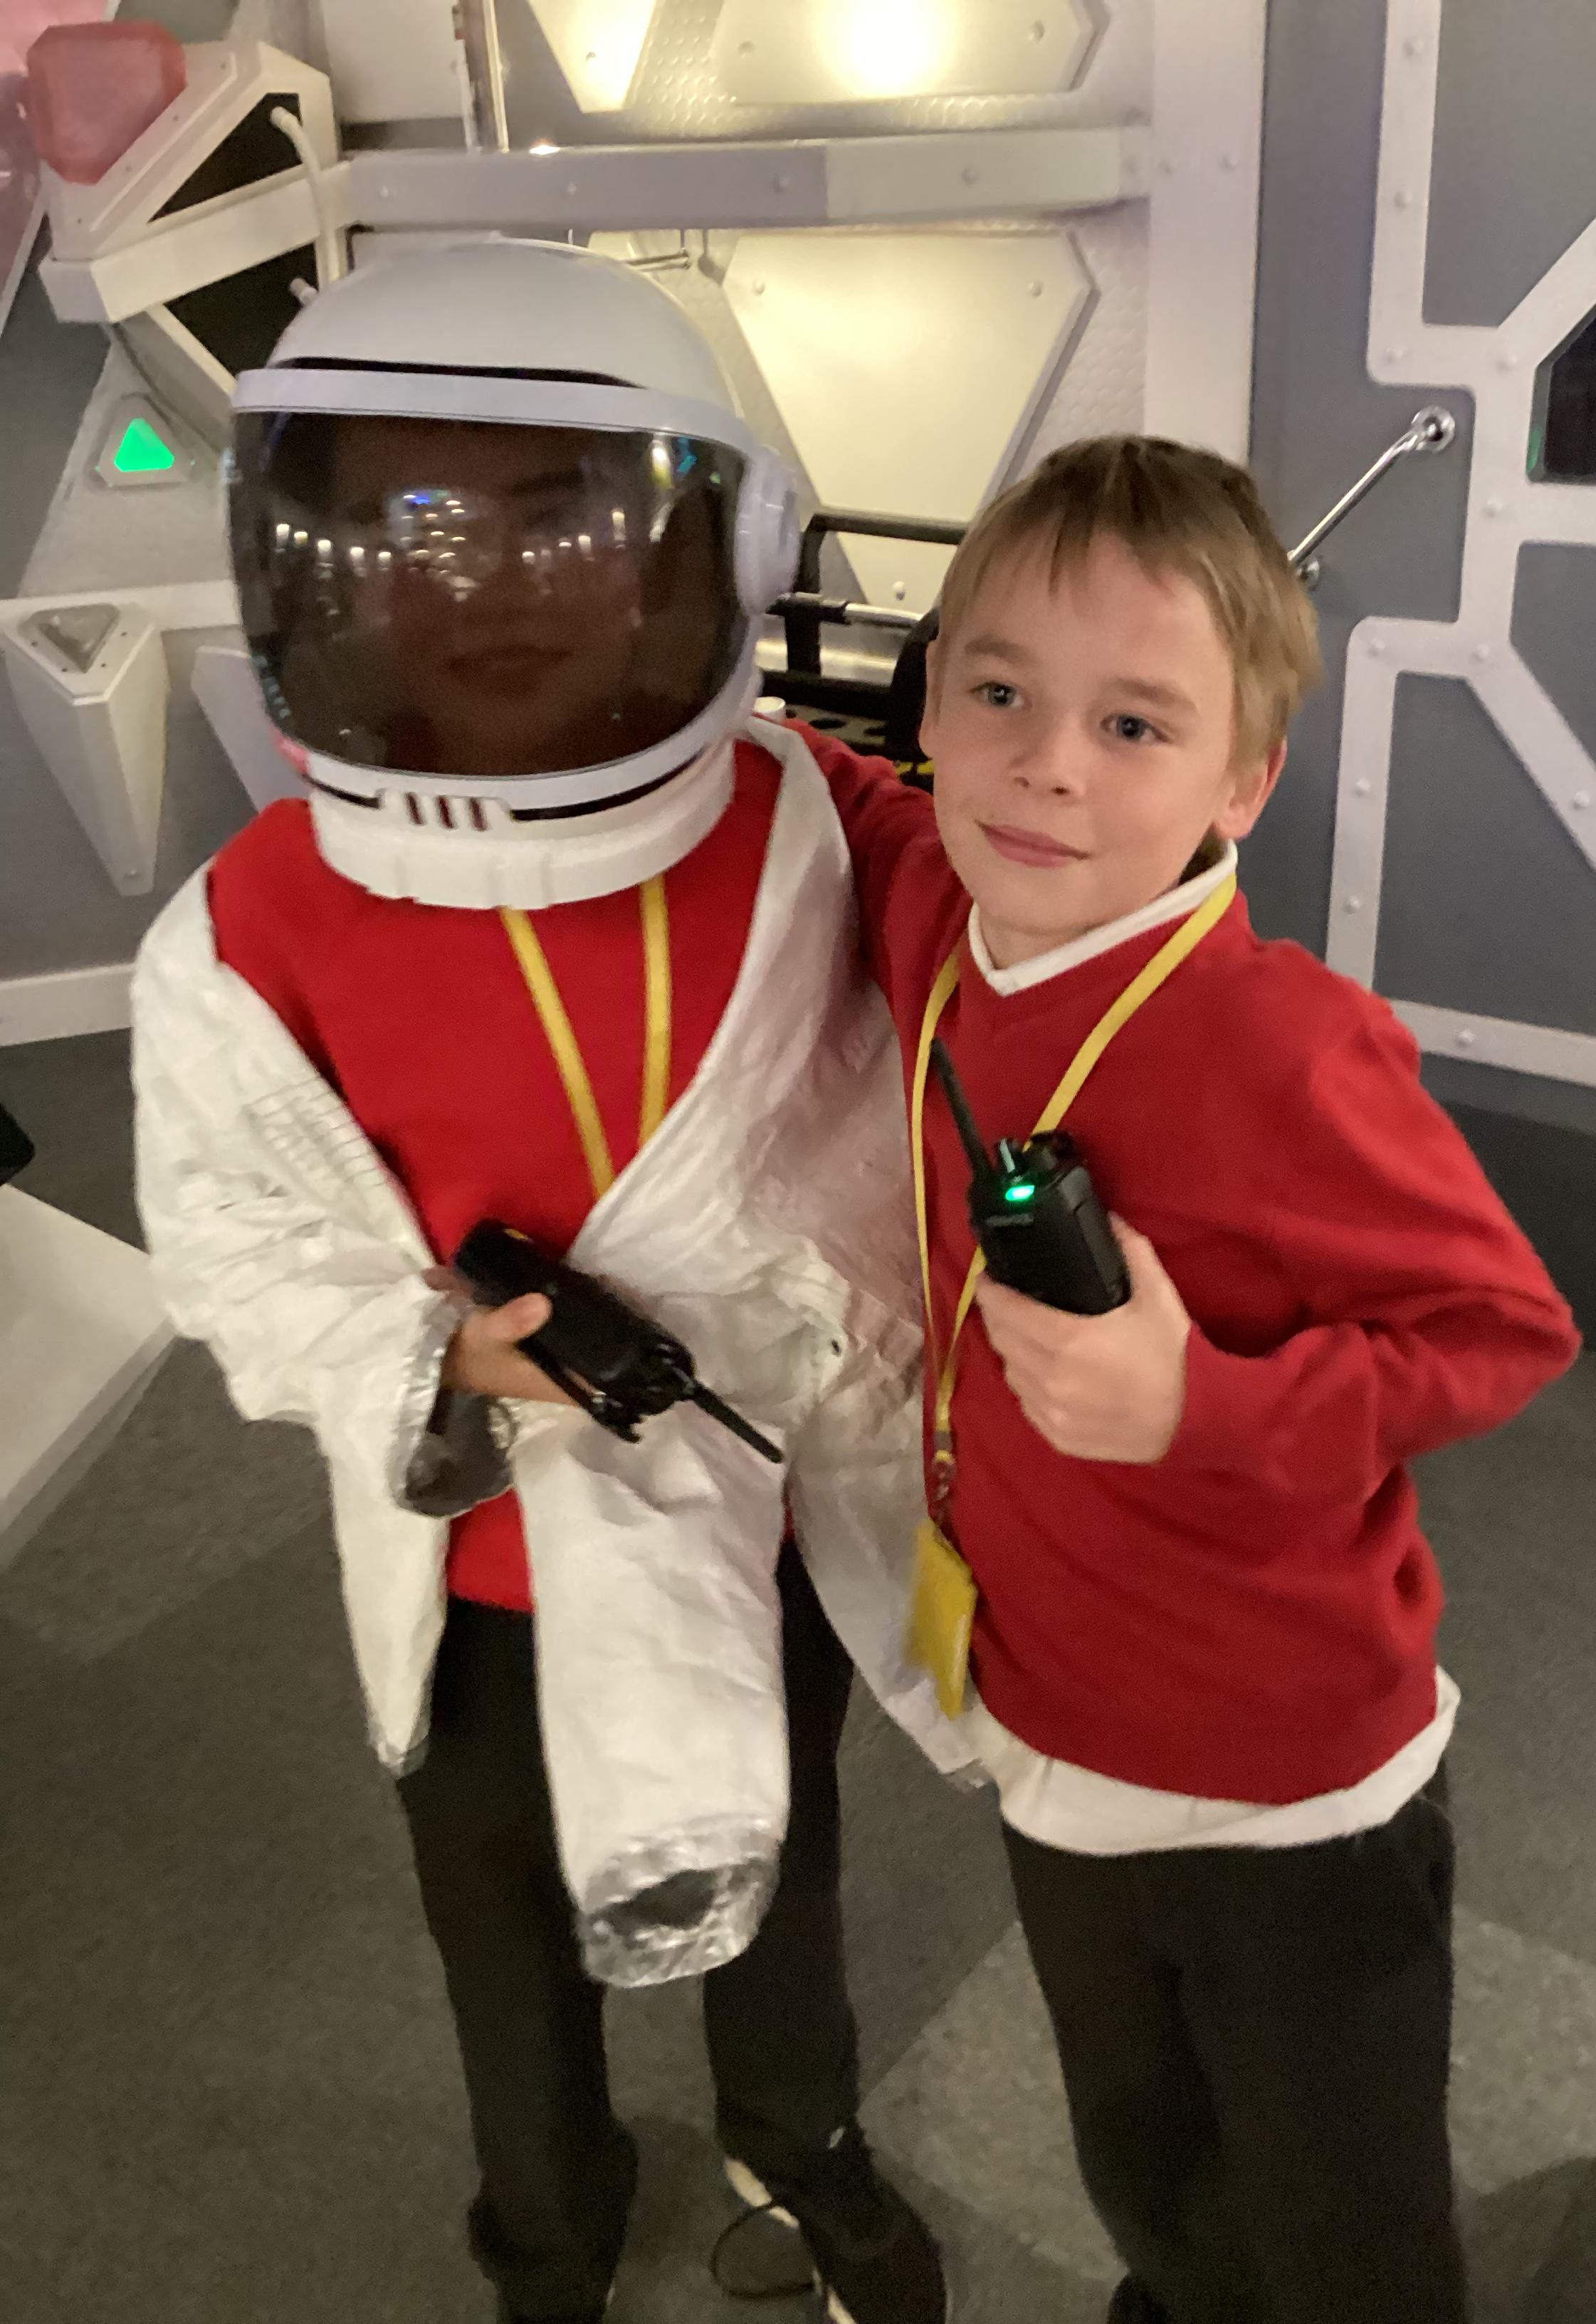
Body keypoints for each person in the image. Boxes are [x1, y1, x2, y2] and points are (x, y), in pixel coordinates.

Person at [130, 237, 967, 2324]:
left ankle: (798, 2141)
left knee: (779, 1849)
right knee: (497, 1924)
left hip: (757, 1496)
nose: (486, 587)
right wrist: (432, 1371)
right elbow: (234, 1242)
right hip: (480, 1547)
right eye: (414, 532)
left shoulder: (809, 822)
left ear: (715, 553)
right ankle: (548, 2212)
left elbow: (1020, 957)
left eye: (556, 526)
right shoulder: (248, 927)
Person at [796, 434, 1582, 2324]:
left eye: (1135, 725)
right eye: (999, 694)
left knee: (1343, 2225)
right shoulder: (935, 917)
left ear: (1244, 781)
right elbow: (817, 781)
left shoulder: (1290, 1050)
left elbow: (1502, 1335)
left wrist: (1202, 1410)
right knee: (1145, 2157)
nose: (1048, 764)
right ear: (935, 706)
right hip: (1054, 1726)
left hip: (1281, 1782)